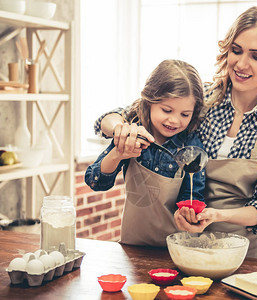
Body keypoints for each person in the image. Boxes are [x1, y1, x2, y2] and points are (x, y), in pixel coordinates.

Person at [93, 6, 257, 260]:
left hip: (249, 249)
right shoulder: (200, 99)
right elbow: (111, 118)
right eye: (236, 51)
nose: (241, 63)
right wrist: (121, 130)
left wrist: (216, 215)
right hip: (191, 241)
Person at [85, 59, 206, 247]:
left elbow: (193, 194)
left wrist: (189, 213)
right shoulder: (133, 132)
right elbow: (95, 181)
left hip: (177, 249)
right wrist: (119, 153)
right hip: (132, 246)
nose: (174, 120)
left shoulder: (192, 145)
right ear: (149, 102)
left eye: (185, 114)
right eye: (167, 110)